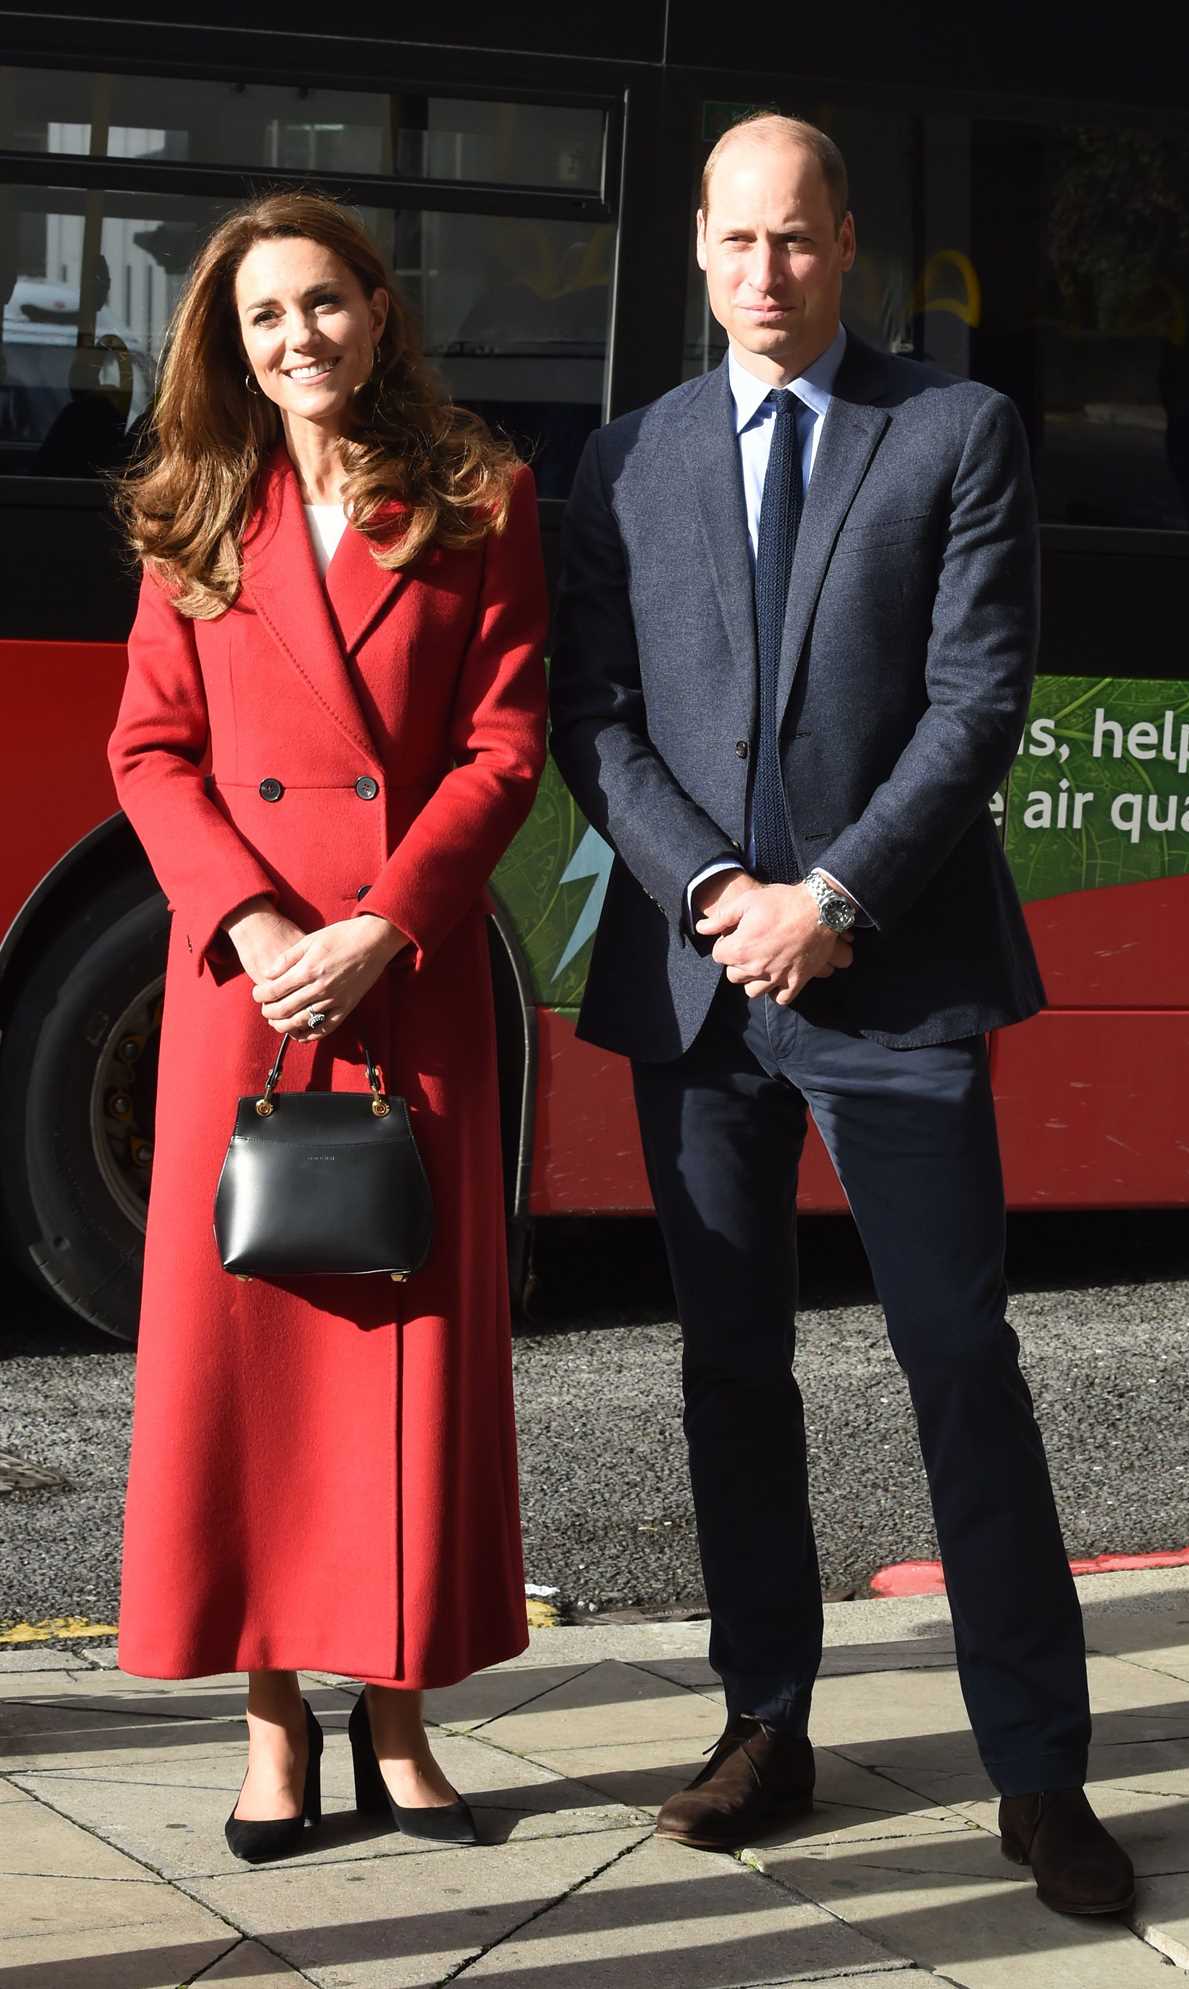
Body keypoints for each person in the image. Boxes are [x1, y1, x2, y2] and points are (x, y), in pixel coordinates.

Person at [550, 113, 1134, 1917]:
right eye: (736, 244)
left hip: (896, 982)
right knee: (731, 1366)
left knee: (960, 1361)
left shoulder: (954, 430)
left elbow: (977, 705)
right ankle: (765, 1719)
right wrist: (721, 896)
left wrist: (836, 901)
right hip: (701, 986)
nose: (765, 276)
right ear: (699, 250)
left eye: (796, 243)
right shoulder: (627, 456)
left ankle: (1040, 1773)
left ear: (849, 243)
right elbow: (597, 710)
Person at [109, 192, 547, 1862]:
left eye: (326, 304)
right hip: (249, 987)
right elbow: (150, 752)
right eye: (263, 315)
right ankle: (272, 1719)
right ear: (231, 339)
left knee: (402, 1344)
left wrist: (383, 920)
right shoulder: (187, 509)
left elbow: (507, 743)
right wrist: (257, 921)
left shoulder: (481, 495)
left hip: (407, 970)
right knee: (255, 1368)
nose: (298, 337)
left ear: (381, 309)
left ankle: (404, 1716)